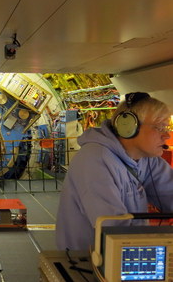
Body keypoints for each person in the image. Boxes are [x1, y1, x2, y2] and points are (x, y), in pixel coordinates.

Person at [55, 92, 173, 251]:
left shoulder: (147, 160)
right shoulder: (95, 160)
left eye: (167, 127)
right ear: (129, 126)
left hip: (129, 258)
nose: (166, 135)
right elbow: (114, 229)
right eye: (159, 127)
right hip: (87, 265)